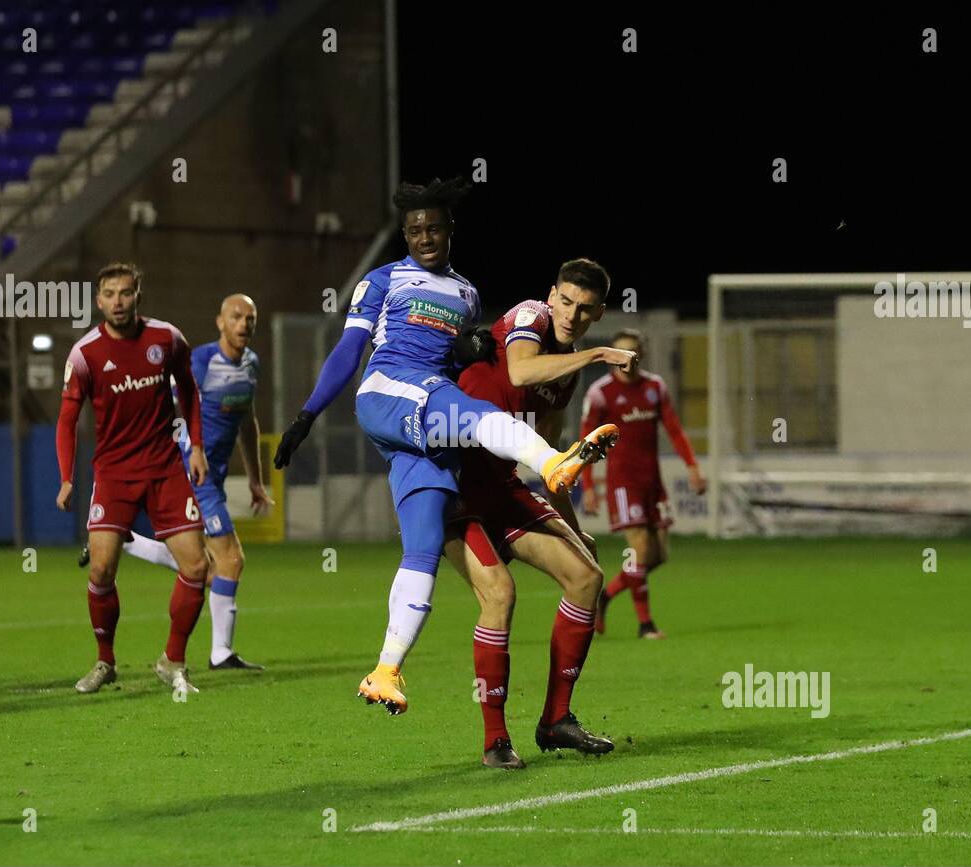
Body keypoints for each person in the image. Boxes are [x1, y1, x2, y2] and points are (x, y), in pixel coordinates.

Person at [271, 177, 618, 716]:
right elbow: (349, 350)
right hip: (390, 390)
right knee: (478, 416)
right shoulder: (383, 280)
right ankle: (553, 463)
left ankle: (386, 669)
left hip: (424, 432)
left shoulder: (466, 293)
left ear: (449, 230)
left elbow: (459, 365)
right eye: (414, 229)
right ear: (405, 235)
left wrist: (465, 349)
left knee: (424, 546)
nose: (424, 236)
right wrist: (307, 414)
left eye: (433, 227)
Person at [447, 258, 637, 769]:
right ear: (551, 295)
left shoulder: (565, 378)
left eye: (586, 308)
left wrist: (576, 531)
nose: (572, 315)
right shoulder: (529, 316)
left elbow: (548, 459)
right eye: (567, 301)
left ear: (598, 312)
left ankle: (556, 720)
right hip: (450, 488)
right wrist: (599, 354)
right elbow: (519, 370)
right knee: (500, 595)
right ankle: (494, 740)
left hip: (501, 487)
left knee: (585, 576)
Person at [56, 262, 209, 695]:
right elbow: (67, 419)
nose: (118, 301)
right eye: (109, 293)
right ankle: (105, 662)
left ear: (138, 294)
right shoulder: (85, 354)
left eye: (125, 292)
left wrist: (195, 447)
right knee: (102, 569)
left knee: (196, 566)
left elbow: (189, 392)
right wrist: (67, 478)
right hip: (114, 473)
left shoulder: (167, 338)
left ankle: (172, 660)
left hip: (164, 469)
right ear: (99, 299)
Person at [104, 293, 273, 670]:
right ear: (220, 322)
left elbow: (247, 422)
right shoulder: (200, 361)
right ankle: (220, 653)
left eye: (250, 317)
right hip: (192, 471)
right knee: (229, 560)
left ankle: (128, 543)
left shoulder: (251, 364)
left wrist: (256, 481)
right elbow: (164, 405)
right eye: (236, 316)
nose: (244, 323)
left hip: (216, 473)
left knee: (203, 564)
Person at [581, 329, 706, 640]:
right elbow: (587, 441)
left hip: (653, 481)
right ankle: (645, 625)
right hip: (623, 483)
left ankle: (605, 596)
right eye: (620, 353)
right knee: (639, 551)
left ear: (642, 354)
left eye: (632, 353)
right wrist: (587, 486)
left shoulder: (655, 387)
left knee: (658, 556)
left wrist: (692, 467)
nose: (626, 360)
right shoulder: (600, 393)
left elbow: (674, 430)